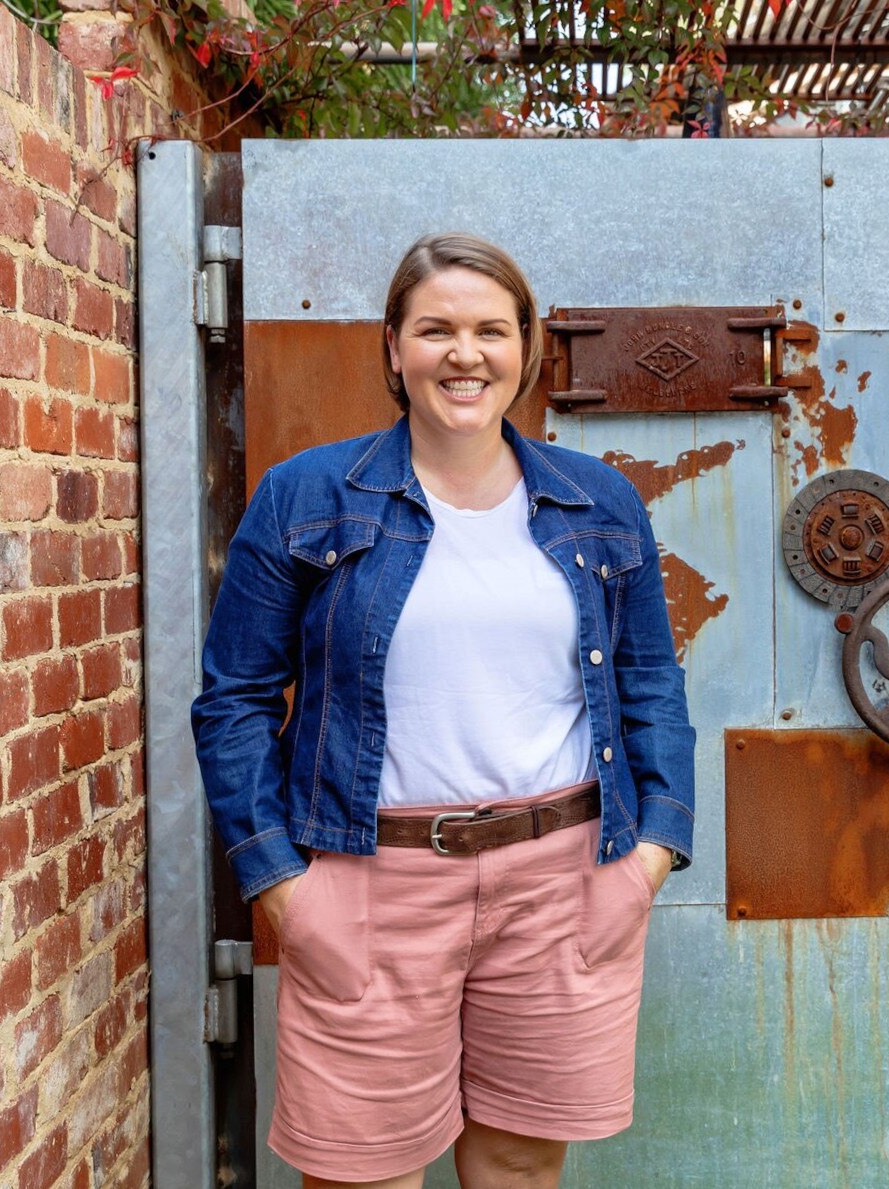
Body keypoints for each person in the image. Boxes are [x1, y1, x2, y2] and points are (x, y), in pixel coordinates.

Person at [190, 231, 696, 1189]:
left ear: (526, 346)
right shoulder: (307, 495)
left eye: (489, 330)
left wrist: (649, 856)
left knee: (517, 1161)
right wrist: (280, 885)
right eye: (436, 330)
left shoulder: (599, 502)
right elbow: (235, 701)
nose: (465, 355)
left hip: (561, 879)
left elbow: (649, 684)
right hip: (369, 880)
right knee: (359, 1172)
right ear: (393, 347)